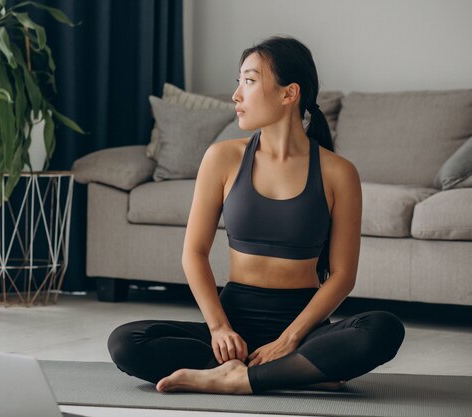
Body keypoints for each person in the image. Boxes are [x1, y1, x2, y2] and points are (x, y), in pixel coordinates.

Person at [107, 36, 405, 395]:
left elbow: (342, 276)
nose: (236, 95)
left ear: (288, 93)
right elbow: (194, 253)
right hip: (234, 329)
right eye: (239, 82)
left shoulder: (338, 172)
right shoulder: (222, 158)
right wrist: (219, 329)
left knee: (384, 329)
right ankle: (294, 373)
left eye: (249, 81)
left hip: (304, 328)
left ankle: (239, 378)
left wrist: (290, 339)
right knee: (126, 341)